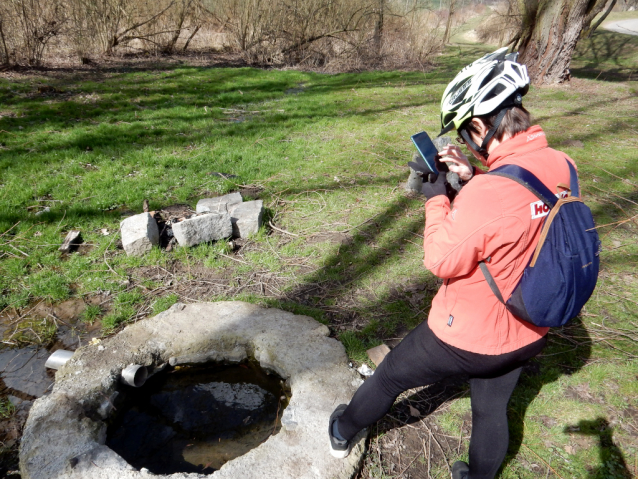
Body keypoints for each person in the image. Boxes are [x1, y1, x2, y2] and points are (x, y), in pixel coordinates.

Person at [328, 48, 580, 479]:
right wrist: (473, 176)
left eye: (465, 133)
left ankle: (340, 430)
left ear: (481, 125)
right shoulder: (562, 164)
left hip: (467, 335)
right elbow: (518, 213)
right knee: (491, 408)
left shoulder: (490, 194)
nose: (464, 141)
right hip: (531, 326)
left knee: (390, 377)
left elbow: (441, 259)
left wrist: (437, 198)